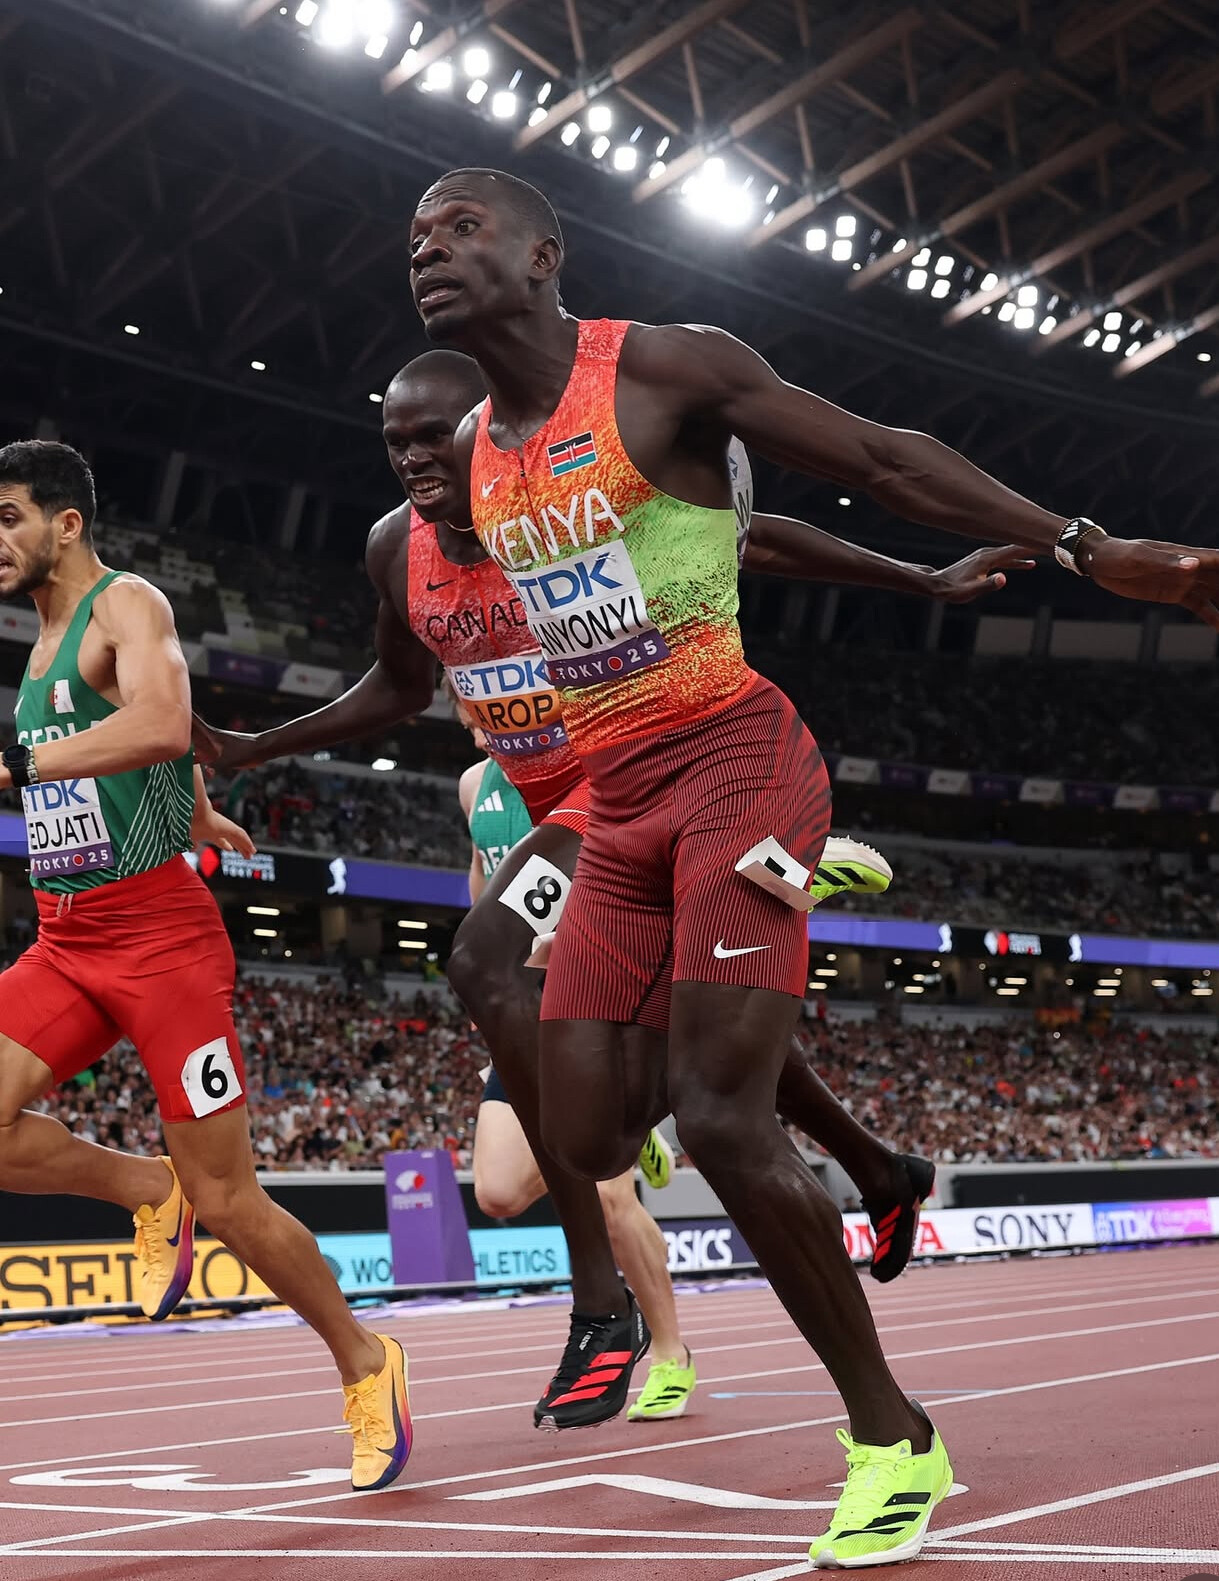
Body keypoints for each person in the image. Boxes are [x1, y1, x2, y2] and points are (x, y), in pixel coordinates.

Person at [408, 166, 1219, 1566]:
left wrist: (1081, 548)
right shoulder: (479, 452)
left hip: (736, 759)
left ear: (544, 253)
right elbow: (731, 539)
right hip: (618, 806)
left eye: (460, 227)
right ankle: (811, 971)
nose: (427, 249)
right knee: (587, 1139)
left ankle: (892, 1439)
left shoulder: (661, 369)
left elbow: (883, 458)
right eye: (415, 237)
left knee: (719, 1121)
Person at [194, 349, 1026, 1434]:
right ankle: (876, 1166)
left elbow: (748, 536)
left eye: (435, 436)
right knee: (688, 1044)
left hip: (625, 779)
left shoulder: (550, 504)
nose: (415, 458)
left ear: (483, 433)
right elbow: (397, 686)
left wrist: (916, 579)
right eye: (395, 440)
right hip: (550, 805)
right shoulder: (395, 549)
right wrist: (254, 746)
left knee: (482, 957)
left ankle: (600, 1303)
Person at [0, 441, 410, 1495]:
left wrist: (22, 763)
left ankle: (366, 1361)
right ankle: (146, 1188)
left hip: (162, 948)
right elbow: (142, 744)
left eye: (7, 518)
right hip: (66, 940)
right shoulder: (43, 640)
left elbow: (161, 717)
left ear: (67, 524)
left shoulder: (125, 604)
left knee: (230, 1200)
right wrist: (192, 808)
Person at [460, 713, 695, 1421]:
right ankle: (632, 1127)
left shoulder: (586, 763)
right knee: (498, 1191)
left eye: (486, 711)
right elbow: (483, 881)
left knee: (610, 1200)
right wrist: (490, 976)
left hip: (592, 995)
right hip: (520, 1007)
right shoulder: (474, 785)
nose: (479, 730)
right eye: (466, 715)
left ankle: (670, 1353)